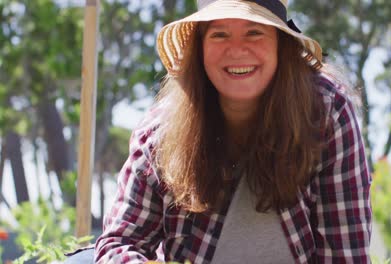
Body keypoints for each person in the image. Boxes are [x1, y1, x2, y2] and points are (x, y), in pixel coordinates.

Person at [87, 0, 372, 263]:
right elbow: (119, 243)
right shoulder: (161, 130)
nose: (236, 50)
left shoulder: (326, 111)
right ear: (199, 49)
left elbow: (345, 254)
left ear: (281, 44)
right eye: (219, 34)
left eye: (254, 32)